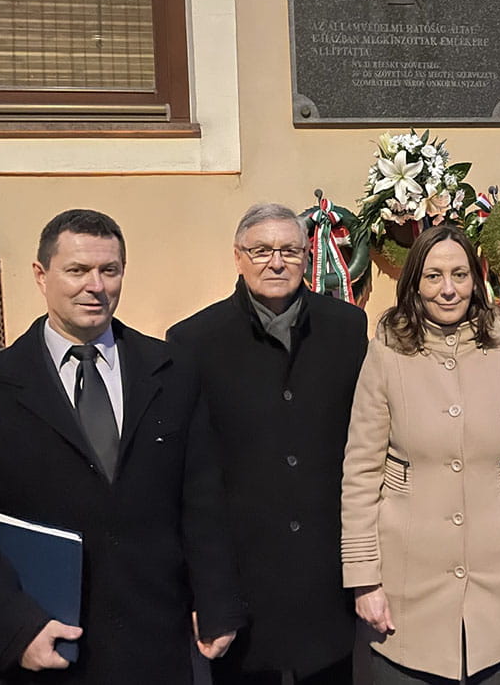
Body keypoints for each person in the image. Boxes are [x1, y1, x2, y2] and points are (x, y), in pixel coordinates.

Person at [0, 209, 243, 683]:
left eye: (109, 270)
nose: (96, 286)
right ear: (41, 275)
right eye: (77, 270)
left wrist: (217, 600)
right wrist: (14, 627)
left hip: (156, 643)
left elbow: (203, 499)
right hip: (47, 645)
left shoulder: (172, 372)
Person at [341, 225, 500, 684]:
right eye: (434, 276)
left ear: (475, 281)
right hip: (406, 599)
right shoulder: (385, 357)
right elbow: (361, 476)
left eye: (460, 275)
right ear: (414, 285)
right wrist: (365, 580)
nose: (448, 289)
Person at [167, 203, 368, 684]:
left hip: (328, 574)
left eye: (289, 251)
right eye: (260, 251)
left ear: (307, 257)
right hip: (243, 580)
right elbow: (191, 477)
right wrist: (208, 593)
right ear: (237, 257)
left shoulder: (347, 328)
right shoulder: (193, 341)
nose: (276, 262)